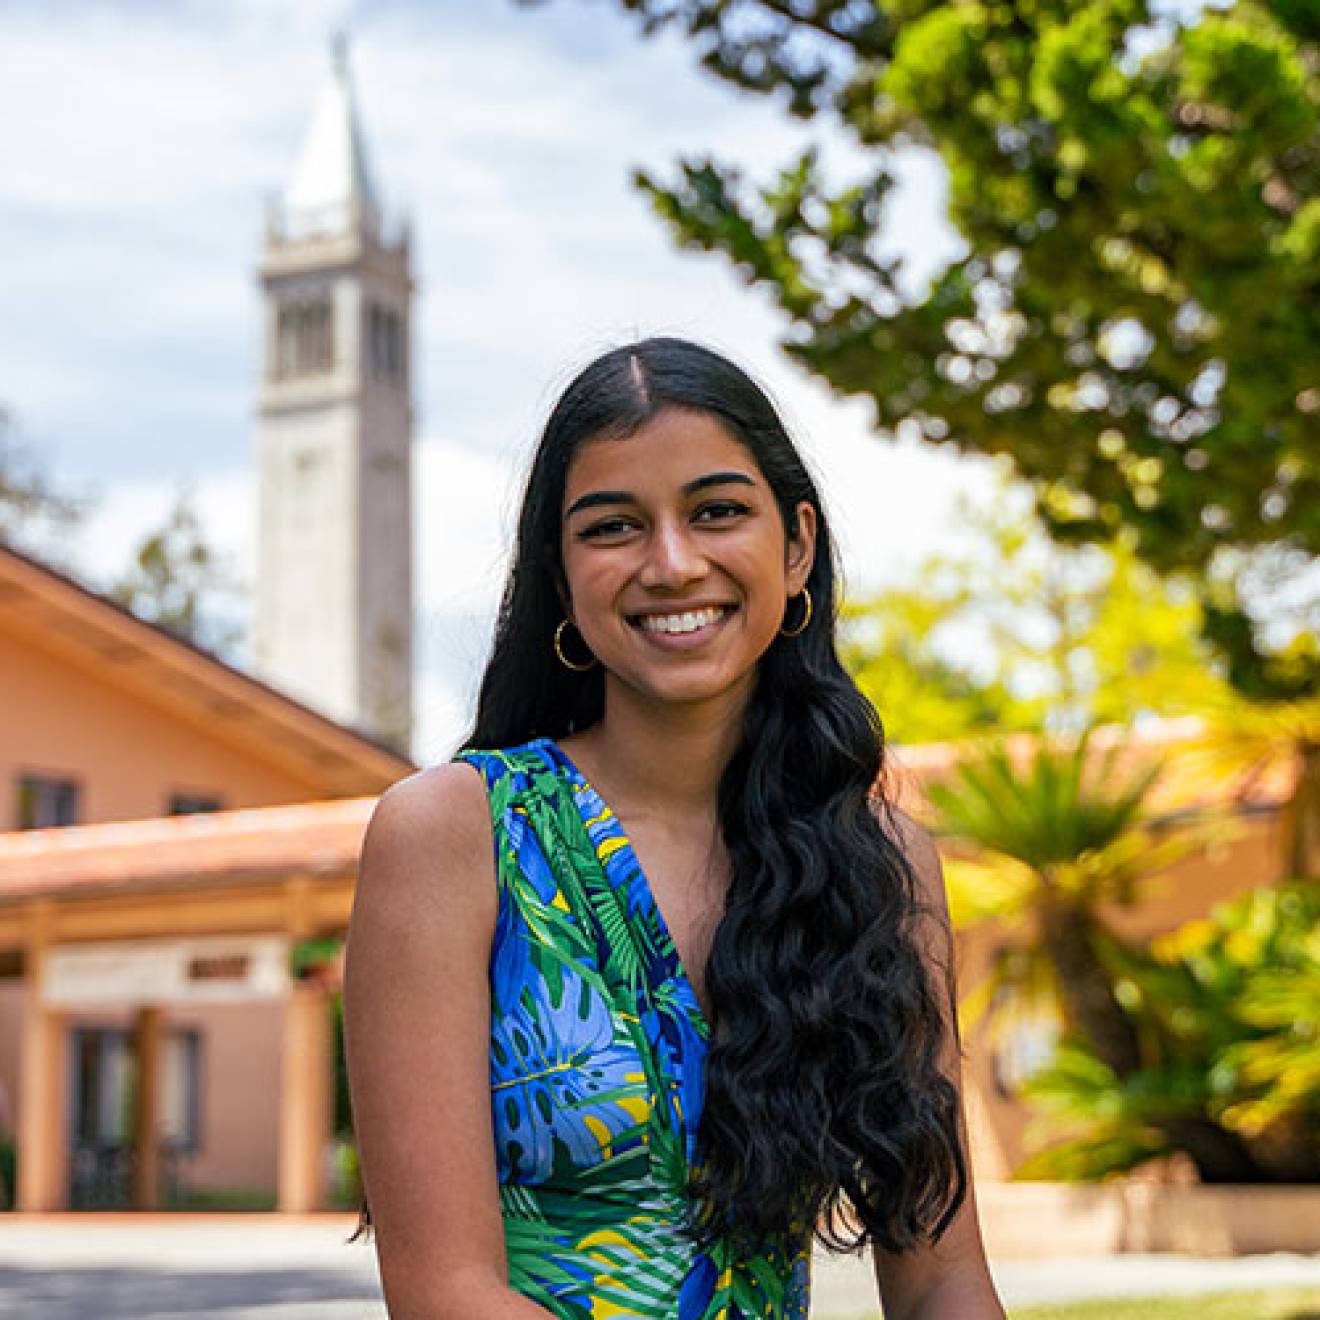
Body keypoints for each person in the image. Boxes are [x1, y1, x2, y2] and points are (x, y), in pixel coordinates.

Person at [343, 337, 1006, 1318]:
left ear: (796, 546)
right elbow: (446, 1296)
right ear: (561, 578)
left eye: (717, 512)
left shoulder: (876, 864)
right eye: (613, 527)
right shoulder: (456, 836)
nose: (672, 562)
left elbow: (942, 1283)